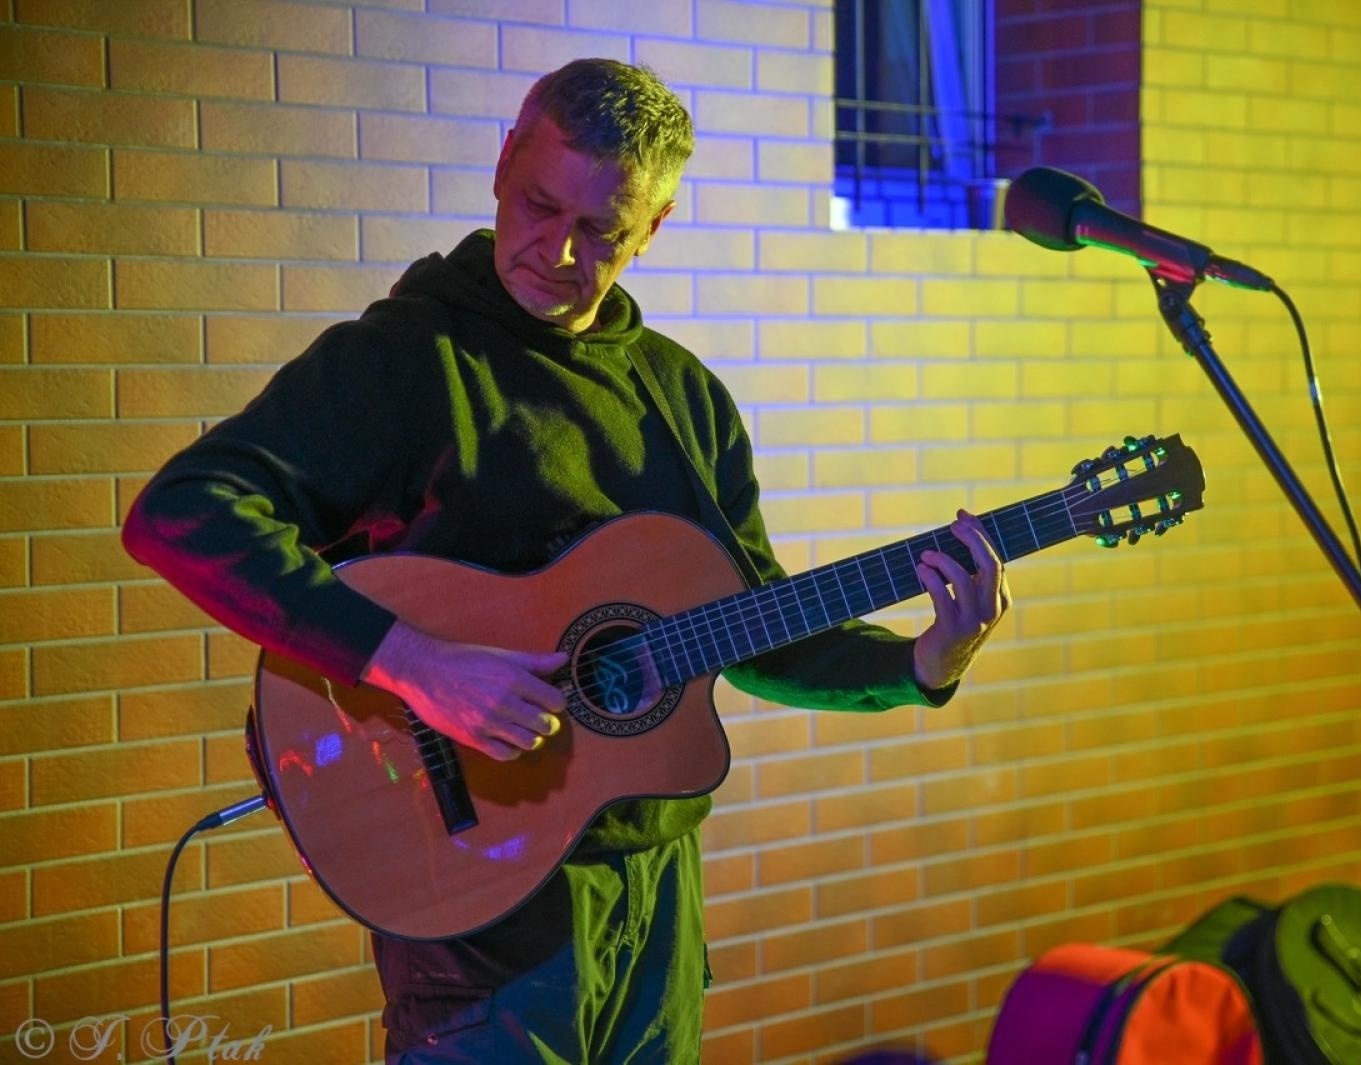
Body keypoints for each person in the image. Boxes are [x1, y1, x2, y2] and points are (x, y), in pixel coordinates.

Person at [122, 58, 1009, 1063]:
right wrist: (416, 663)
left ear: (654, 227)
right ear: (504, 162)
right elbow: (182, 513)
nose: (557, 250)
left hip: (657, 894)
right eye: (540, 205)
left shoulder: (684, 400)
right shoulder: (406, 360)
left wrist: (921, 663)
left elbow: (749, 630)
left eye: (603, 232)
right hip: (478, 909)